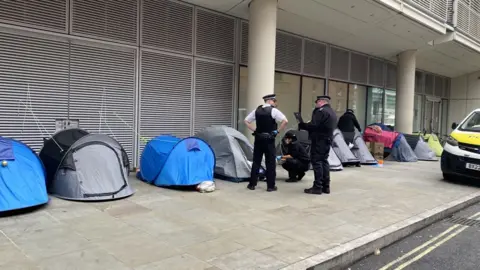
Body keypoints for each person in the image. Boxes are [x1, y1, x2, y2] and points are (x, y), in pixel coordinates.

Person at [244, 94, 288, 192]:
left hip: (258, 138)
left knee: (256, 161)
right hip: (269, 139)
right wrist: (277, 131)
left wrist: (254, 130)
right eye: (274, 101)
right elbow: (285, 121)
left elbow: (246, 121)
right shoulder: (274, 111)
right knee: (270, 163)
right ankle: (270, 186)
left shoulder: (256, 111)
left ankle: (252, 184)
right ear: (271, 101)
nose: (275, 103)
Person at [299, 96, 337, 195]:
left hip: (319, 140)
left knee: (317, 162)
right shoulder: (331, 111)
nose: (316, 104)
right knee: (324, 162)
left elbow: (314, 125)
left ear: (321, 102)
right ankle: (326, 186)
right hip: (327, 140)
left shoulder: (320, 111)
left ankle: (317, 187)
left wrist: (303, 125)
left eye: (317, 102)